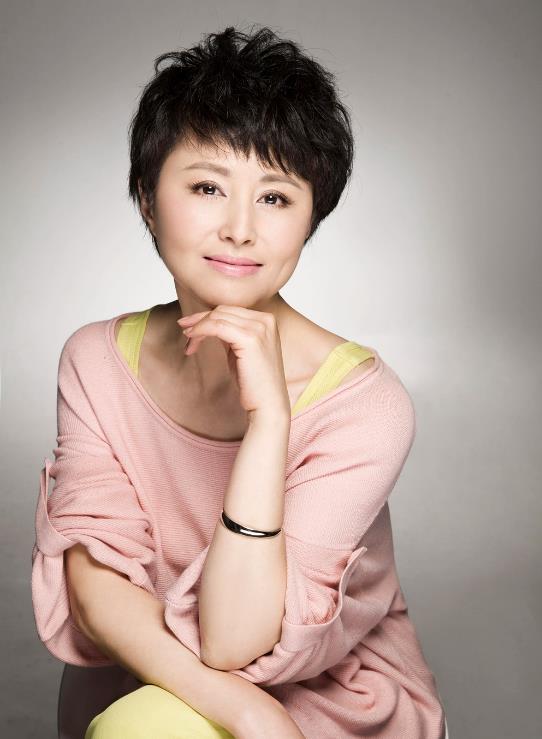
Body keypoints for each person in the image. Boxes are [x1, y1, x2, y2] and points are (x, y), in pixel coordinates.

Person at [31, 24, 448, 738]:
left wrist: (269, 425)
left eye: (276, 198)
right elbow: (96, 588)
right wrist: (244, 710)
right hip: (160, 680)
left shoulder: (366, 405)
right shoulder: (95, 360)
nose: (240, 229)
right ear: (147, 198)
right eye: (206, 187)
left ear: (311, 218)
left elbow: (233, 639)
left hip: (327, 698)